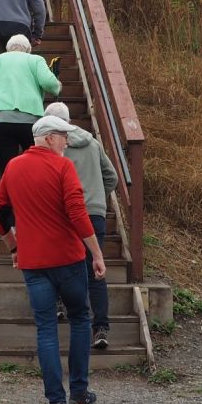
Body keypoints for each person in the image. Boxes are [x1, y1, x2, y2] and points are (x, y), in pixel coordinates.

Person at [0, 113, 106, 404]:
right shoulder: (63, 167)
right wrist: (96, 253)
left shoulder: (13, 167)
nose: (66, 142)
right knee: (80, 318)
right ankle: (79, 392)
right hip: (68, 259)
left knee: (46, 329)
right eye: (63, 137)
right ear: (49, 138)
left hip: (34, 263)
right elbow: (78, 213)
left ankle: (56, 403)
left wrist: (14, 247)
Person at [45, 102, 119, 349]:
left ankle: (58, 304)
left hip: (66, 214)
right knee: (95, 270)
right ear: (69, 119)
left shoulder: (53, 146)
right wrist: (97, 197)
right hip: (95, 214)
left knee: (58, 262)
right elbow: (112, 177)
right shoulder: (92, 142)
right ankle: (101, 328)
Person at [0, 34, 59, 170]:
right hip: (31, 121)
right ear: (28, 50)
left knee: (7, 167)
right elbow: (49, 83)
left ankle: (9, 181)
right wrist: (57, 87)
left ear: (8, 49)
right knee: (34, 167)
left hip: (0, 119)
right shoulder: (35, 60)